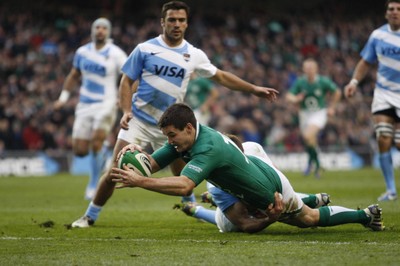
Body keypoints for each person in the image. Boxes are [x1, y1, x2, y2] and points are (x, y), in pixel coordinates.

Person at [71, 1, 278, 227]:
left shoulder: (193, 54)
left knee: (182, 172)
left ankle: (190, 206)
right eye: (171, 20)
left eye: (181, 20)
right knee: (115, 171)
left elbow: (220, 76)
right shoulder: (145, 49)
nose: (176, 24)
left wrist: (253, 88)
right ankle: (90, 216)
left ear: (187, 23)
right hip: (138, 120)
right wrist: (126, 110)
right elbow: (126, 80)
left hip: (172, 128)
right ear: (163, 22)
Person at [111, 103, 384, 233]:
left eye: (171, 135)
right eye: (167, 136)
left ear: (189, 128)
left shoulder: (207, 148)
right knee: (242, 213)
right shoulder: (186, 139)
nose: (169, 141)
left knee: (308, 219)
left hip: (268, 190)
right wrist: (140, 154)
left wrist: (141, 182)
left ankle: (365, 215)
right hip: (254, 166)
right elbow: (156, 162)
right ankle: (315, 199)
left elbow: (185, 185)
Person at [175, 139, 332, 233]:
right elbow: (243, 221)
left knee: (272, 199)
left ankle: (201, 205)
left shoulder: (252, 148)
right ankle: (196, 210)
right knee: (224, 221)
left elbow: (275, 174)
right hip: (233, 203)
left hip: (252, 193)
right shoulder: (214, 180)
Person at [54, 18, 127, 200]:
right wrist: (63, 98)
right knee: (79, 151)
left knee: (95, 141)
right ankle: (103, 154)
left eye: (104, 28)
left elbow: (128, 76)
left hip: (107, 103)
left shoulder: (116, 54)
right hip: (84, 104)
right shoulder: (82, 52)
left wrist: (123, 98)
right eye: (97, 28)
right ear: (92, 30)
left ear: (108, 31)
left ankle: (93, 183)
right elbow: (73, 75)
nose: (100, 31)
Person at [344, 0, 400, 202]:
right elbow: (366, 62)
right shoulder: (378, 35)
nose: (395, 12)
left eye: (398, 9)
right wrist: (354, 82)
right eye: (391, 9)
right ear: (386, 13)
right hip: (384, 94)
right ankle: (391, 190)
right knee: (383, 139)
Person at [285, 58, 341, 178]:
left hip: (318, 113)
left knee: (308, 136)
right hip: (304, 114)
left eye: (311, 68)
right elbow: (289, 96)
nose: (309, 70)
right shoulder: (300, 82)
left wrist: (332, 107)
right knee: (309, 141)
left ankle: (316, 165)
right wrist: (295, 99)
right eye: (307, 68)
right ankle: (314, 164)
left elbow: (337, 92)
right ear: (304, 69)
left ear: (316, 69)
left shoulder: (323, 81)